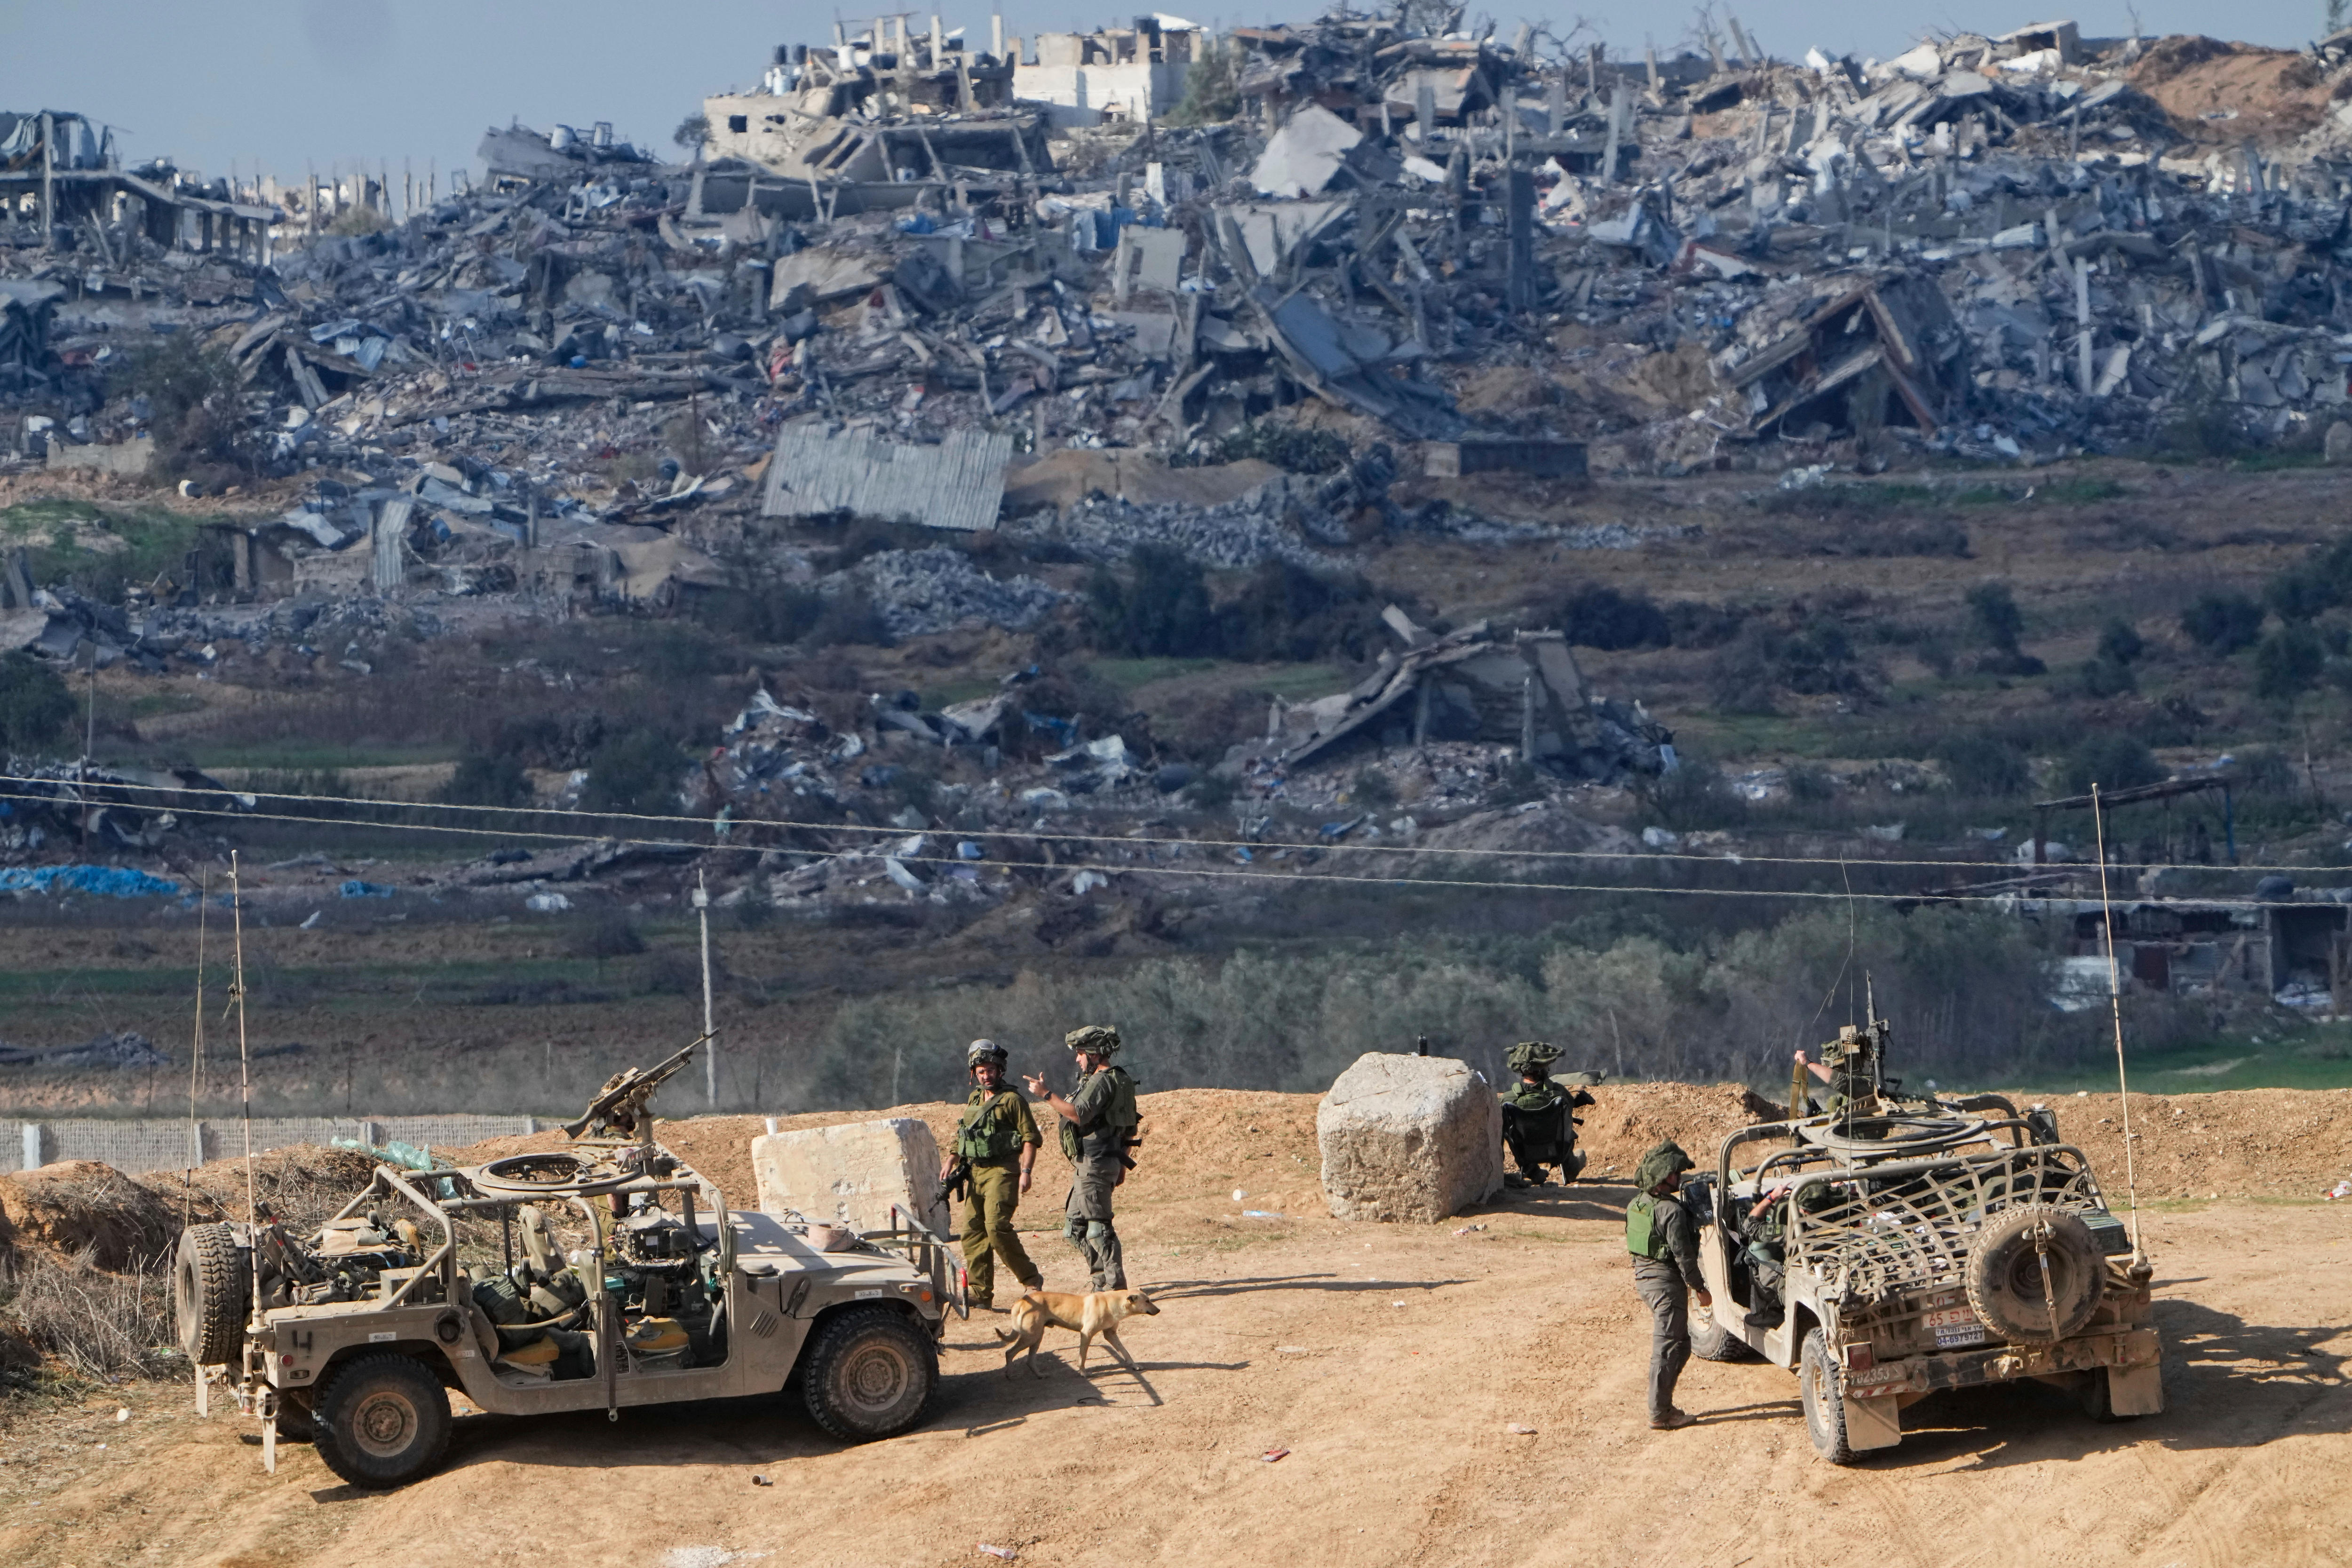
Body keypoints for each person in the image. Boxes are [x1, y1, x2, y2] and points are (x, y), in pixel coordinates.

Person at [1024, 1024, 1138, 1292]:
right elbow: (1130, 1128)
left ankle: (1115, 1288)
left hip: (1095, 1164)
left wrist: (1045, 1095)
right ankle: (1100, 1280)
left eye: (1080, 1054)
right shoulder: (1119, 1079)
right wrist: (1122, 1162)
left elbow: (1077, 1114)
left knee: (1099, 1228)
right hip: (1097, 1163)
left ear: (1095, 1054)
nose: (1077, 1059)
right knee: (1075, 1227)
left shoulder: (1101, 1081)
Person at [942, 1039, 1043, 1312]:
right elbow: (965, 1134)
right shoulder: (975, 1098)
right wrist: (952, 1158)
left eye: (991, 1070)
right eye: (981, 1071)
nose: (986, 1076)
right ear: (974, 1073)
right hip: (976, 1172)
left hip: (1003, 1171)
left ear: (1001, 1070)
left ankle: (1032, 1281)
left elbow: (1031, 1138)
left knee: (997, 1227)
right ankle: (979, 1291)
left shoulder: (1012, 1101)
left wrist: (1026, 1171)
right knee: (972, 1231)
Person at [1626, 1139, 1712, 1431]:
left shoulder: (1638, 1204)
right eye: (1676, 1173)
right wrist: (1700, 1289)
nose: (1680, 1178)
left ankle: (1665, 1405)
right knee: (1666, 1348)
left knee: (1682, 1346)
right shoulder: (1671, 1212)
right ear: (1664, 1177)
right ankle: (1660, 1414)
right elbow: (1684, 1257)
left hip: (1645, 1280)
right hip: (1666, 1285)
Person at [1498, 1041, 1597, 1188]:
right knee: (1566, 1131)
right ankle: (1570, 1168)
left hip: (1524, 1154)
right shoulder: (1559, 1093)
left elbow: (1502, 1131)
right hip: (1558, 1151)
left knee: (1512, 1135)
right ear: (1543, 1068)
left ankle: (1533, 1172)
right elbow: (1568, 1112)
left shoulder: (1508, 1100)